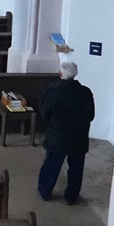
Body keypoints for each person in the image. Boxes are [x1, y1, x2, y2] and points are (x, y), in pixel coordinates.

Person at [37, 61, 95, 204]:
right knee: (76, 167)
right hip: (78, 136)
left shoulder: (53, 91)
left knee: (52, 164)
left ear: (60, 73)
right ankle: (72, 196)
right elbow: (91, 115)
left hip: (58, 136)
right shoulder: (85, 92)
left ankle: (45, 191)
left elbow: (45, 112)